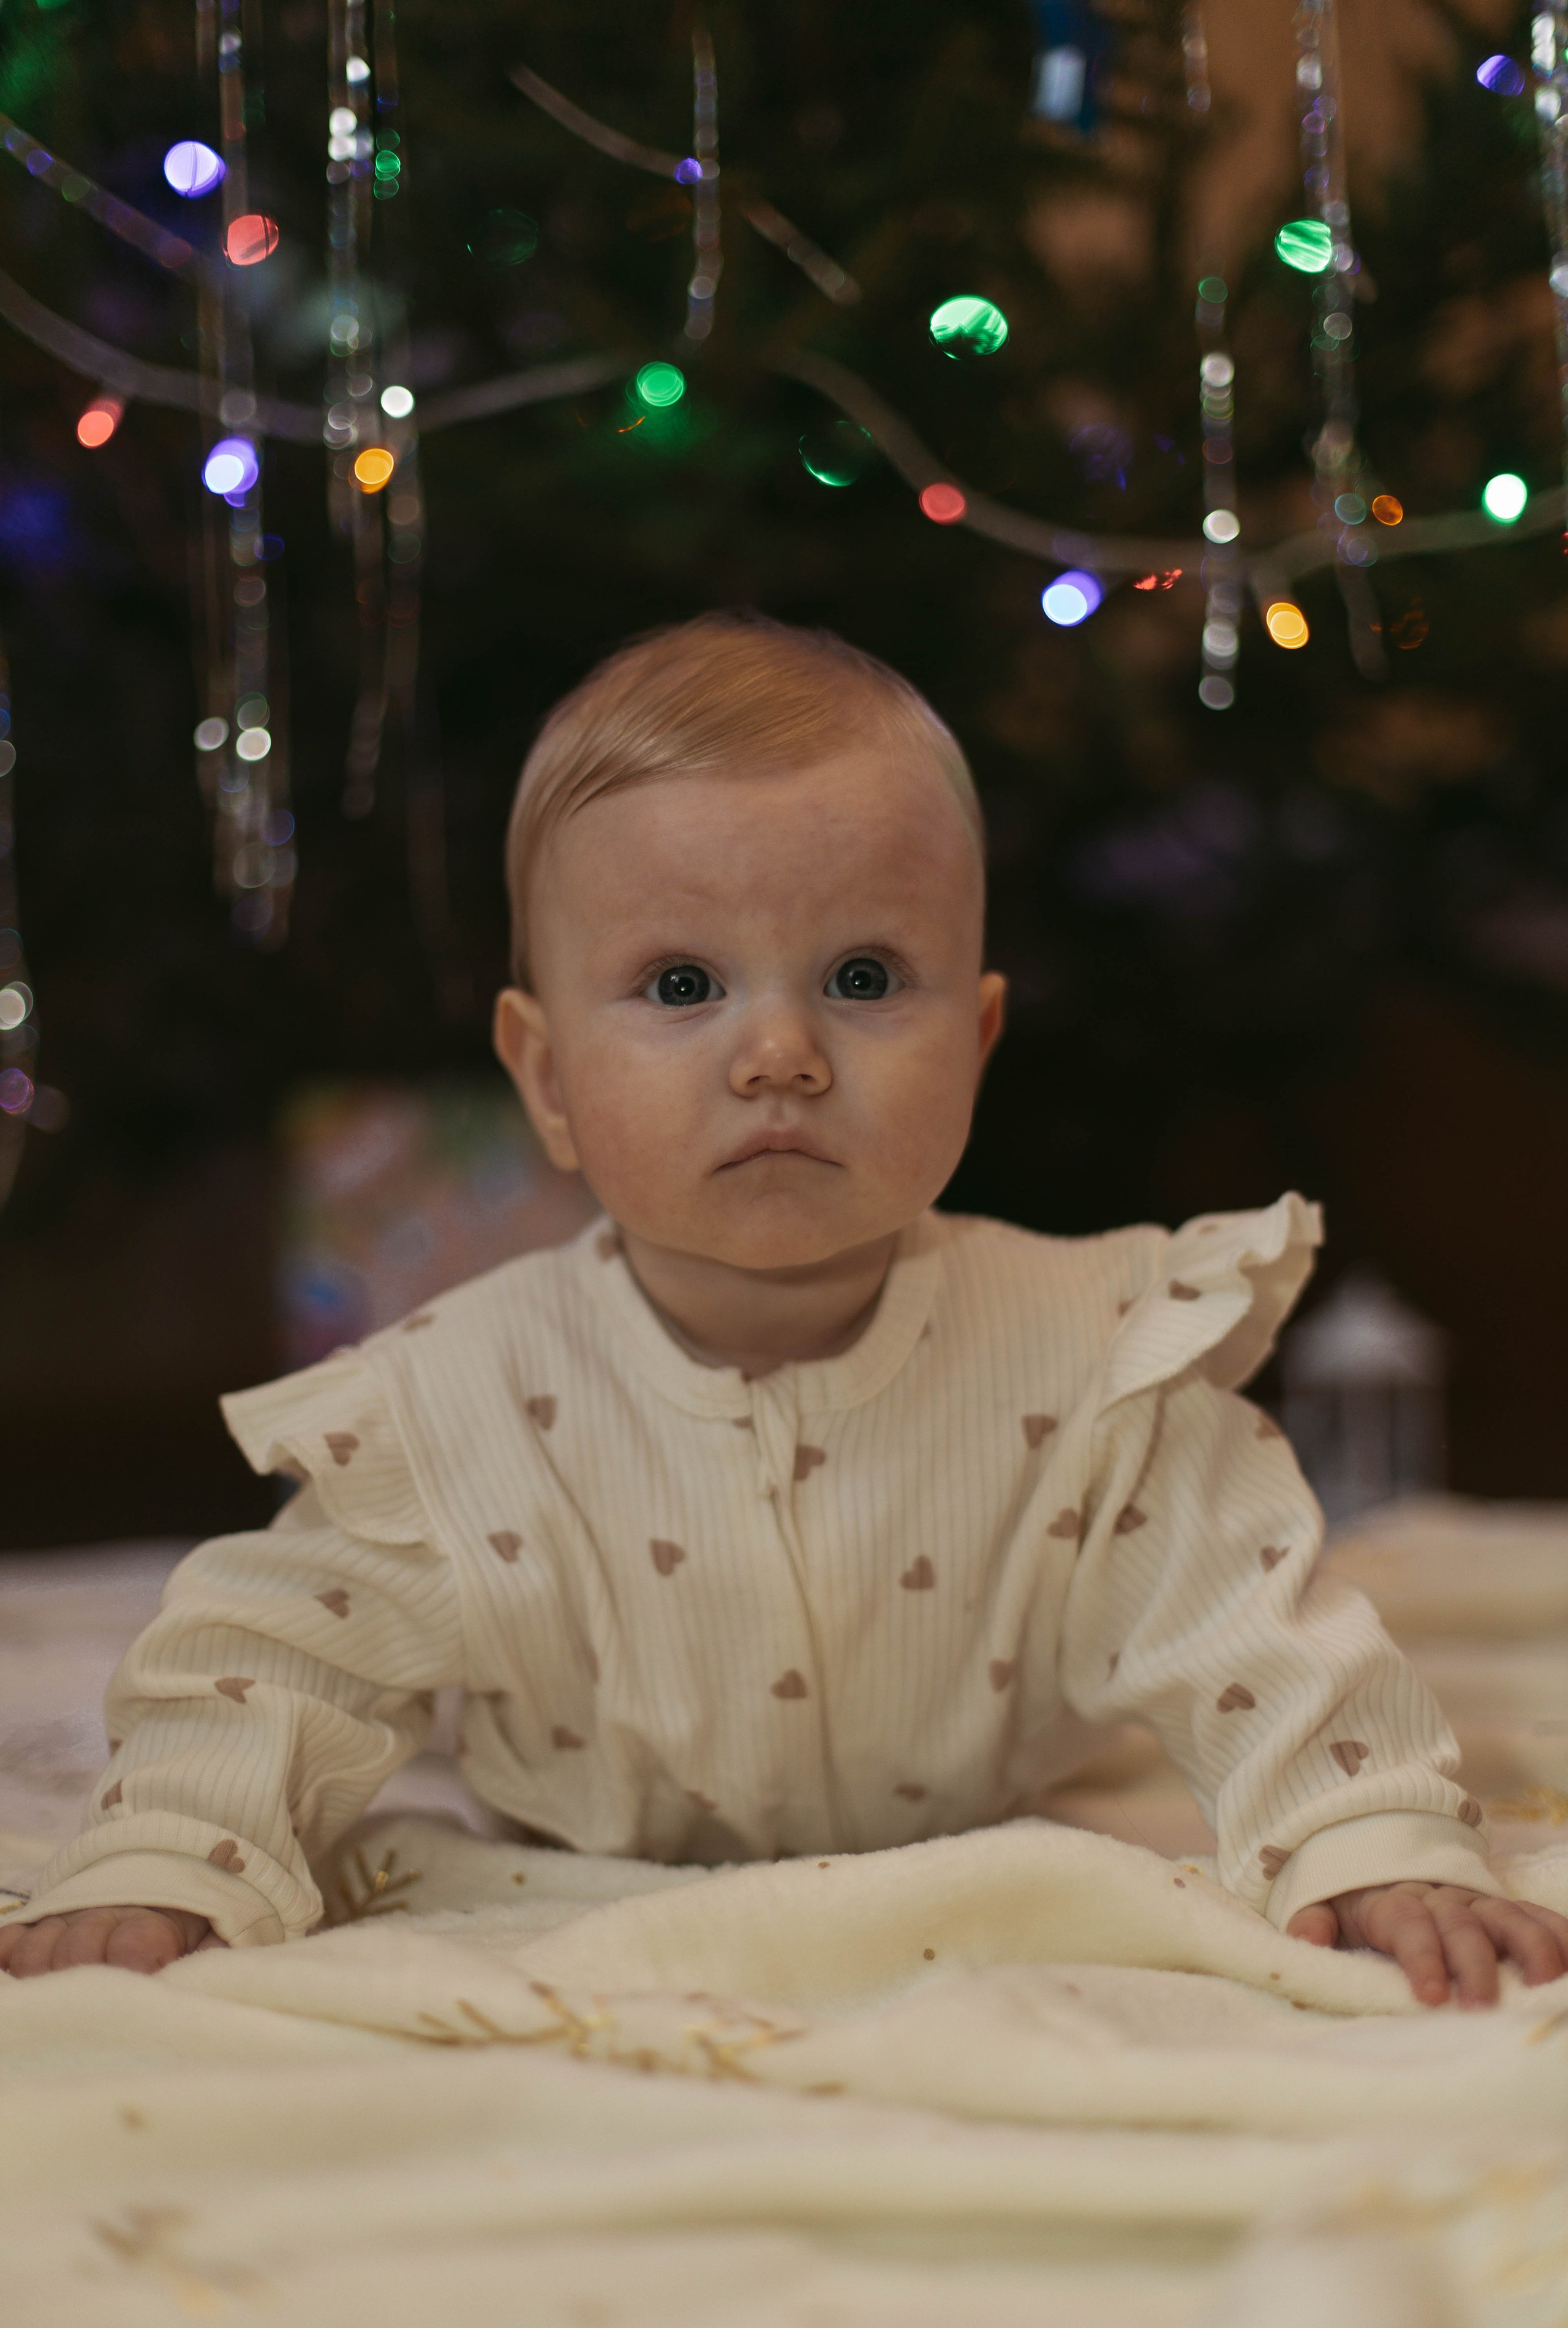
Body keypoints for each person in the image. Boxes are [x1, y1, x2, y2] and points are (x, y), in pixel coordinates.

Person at [5, 614, 1565, 2009]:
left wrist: (1361, 1836)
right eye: (681, 987)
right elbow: (274, 1665)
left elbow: (1256, 1622)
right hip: (584, 1889)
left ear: (976, 1035)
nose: (778, 1054)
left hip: (975, 1834)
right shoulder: (456, 1415)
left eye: (866, 977)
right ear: (545, 1079)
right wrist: (169, 1861)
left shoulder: (1092, 1364)